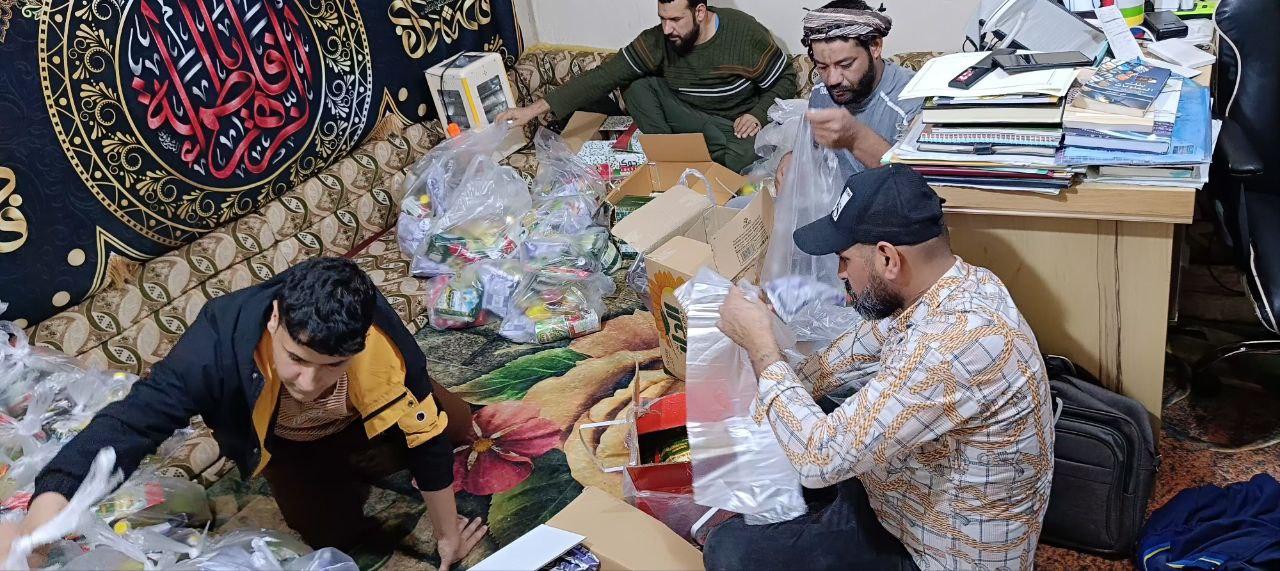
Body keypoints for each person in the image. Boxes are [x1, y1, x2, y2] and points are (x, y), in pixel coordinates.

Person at [0, 258, 485, 570]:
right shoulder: (213, 347)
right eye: (297, 359)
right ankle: (359, 460)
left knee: (460, 425)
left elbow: (426, 434)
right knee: (330, 534)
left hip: (364, 410)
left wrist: (447, 537)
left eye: (332, 365)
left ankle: (380, 443)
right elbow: (128, 424)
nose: (309, 382)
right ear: (275, 320)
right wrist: (46, 510)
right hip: (290, 443)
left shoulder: (379, 337)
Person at [705, 165, 1055, 570]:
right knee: (803, 422)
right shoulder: (954, 284)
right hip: (902, 497)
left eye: (844, 259)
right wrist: (771, 348)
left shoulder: (956, 342)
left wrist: (762, 349)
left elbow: (819, 458)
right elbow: (840, 360)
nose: (840, 274)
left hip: (930, 553)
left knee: (729, 551)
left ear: (888, 258)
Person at [495, 0, 796, 173]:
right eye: (662, 19)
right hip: (686, 118)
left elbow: (786, 79)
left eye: (675, 19)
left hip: (732, 126)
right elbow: (604, 75)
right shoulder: (659, 39)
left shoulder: (744, 33)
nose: (667, 29)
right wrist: (531, 110)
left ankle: (690, 158)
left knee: (748, 156)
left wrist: (757, 113)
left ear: (700, 12)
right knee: (636, 84)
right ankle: (671, 159)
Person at [778, 0, 924, 186]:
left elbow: (917, 187)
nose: (832, 80)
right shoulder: (821, 91)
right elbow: (812, 151)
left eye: (846, 64)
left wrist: (856, 138)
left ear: (875, 46)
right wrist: (793, 159)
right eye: (822, 67)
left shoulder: (914, 100)